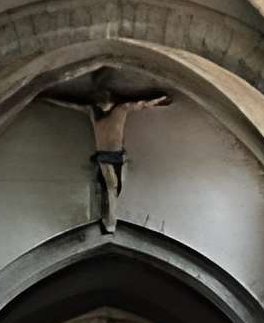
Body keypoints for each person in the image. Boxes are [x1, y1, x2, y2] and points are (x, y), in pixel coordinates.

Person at [40, 72, 170, 230]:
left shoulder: (120, 109)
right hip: (104, 156)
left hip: (117, 155)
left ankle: (109, 217)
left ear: (111, 99)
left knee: (116, 186)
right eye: (99, 101)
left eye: (104, 100)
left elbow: (141, 104)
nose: (101, 104)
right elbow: (71, 105)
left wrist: (159, 100)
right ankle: (110, 221)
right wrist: (49, 99)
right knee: (110, 185)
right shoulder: (93, 112)